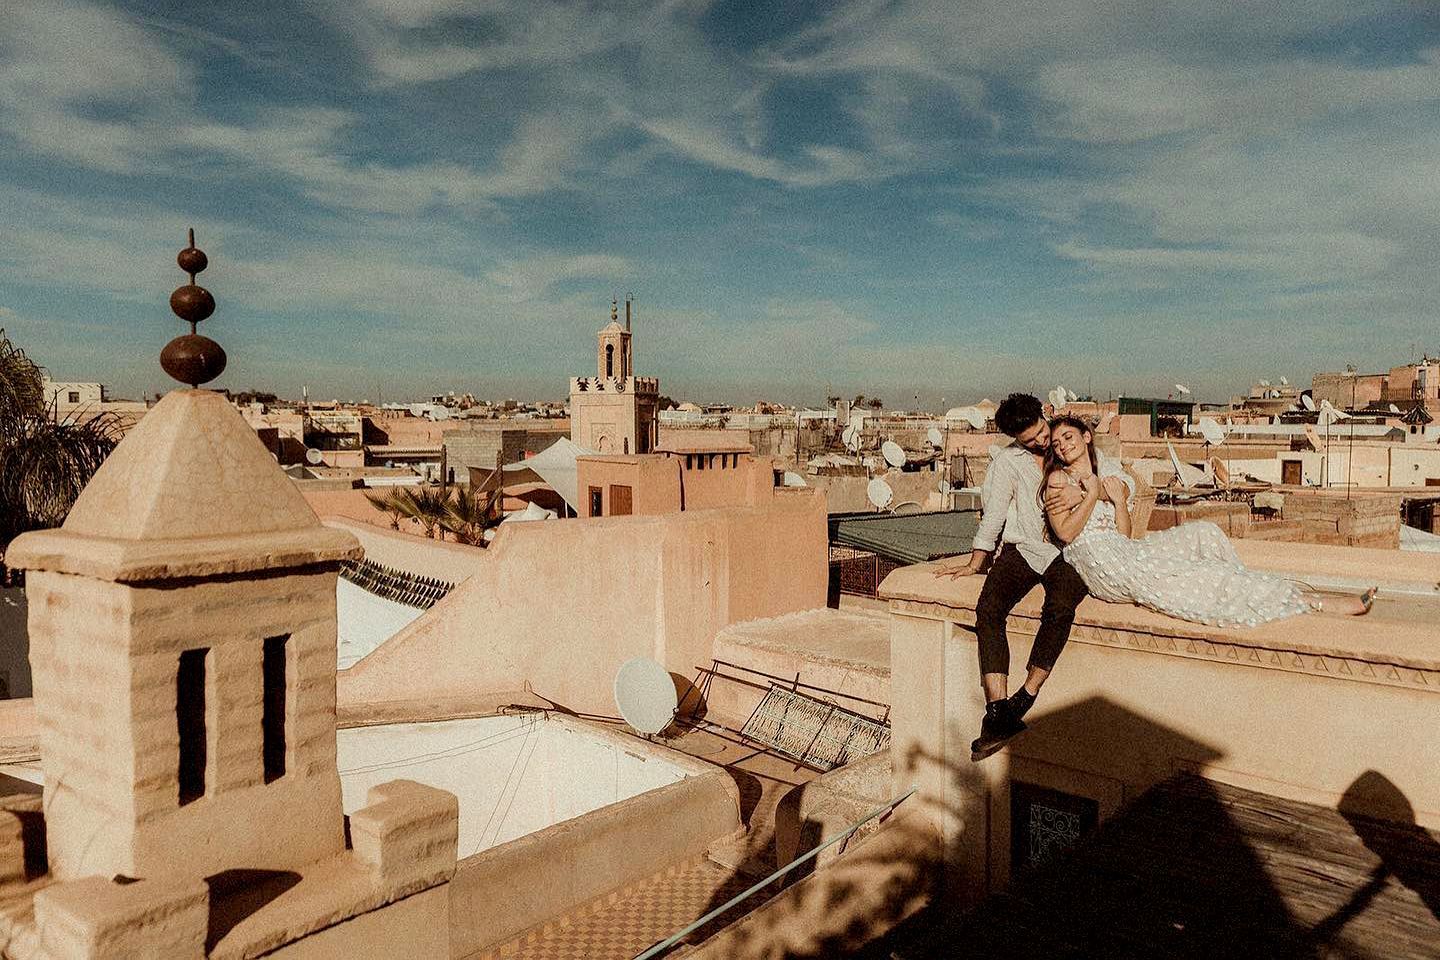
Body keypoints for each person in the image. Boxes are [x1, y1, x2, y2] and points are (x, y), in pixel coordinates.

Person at [934, 394, 1132, 761]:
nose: (1042, 442)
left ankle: (1024, 697)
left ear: (1046, 418)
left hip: (1069, 552)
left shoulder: (1069, 444)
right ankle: (997, 711)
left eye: (1042, 432)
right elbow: (993, 514)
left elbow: (1124, 486)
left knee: (1058, 609)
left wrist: (1084, 489)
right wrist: (976, 562)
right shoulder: (1008, 461)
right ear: (1016, 440)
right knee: (988, 609)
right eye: (1031, 441)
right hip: (1024, 547)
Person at [1043, 414, 1377, 625]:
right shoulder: (1060, 481)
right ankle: (1314, 603)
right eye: (1056, 443)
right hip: (1100, 562)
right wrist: (1089, 494)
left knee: (1205, 533)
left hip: (1122, 550)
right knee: (1198, 574)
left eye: (1068, 438)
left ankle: (1257, 590)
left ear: (1086, 437)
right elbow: (1067, 533)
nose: (1062, 447)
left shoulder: (1109, 477)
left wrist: (1113, 499)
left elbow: (1125, 535)